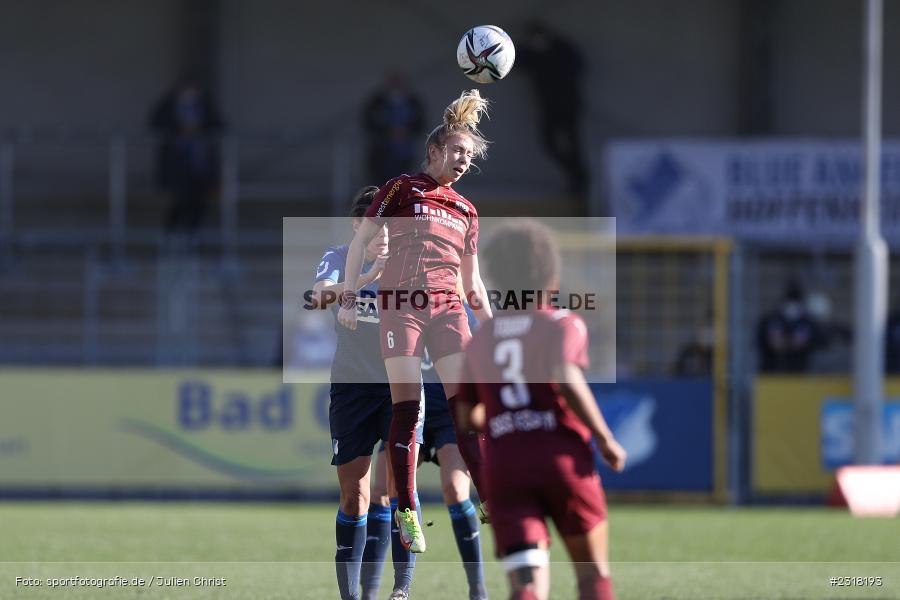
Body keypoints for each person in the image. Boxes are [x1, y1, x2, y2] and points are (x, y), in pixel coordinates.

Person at [338, 90, 495, 554]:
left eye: (470, 155)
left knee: (466, 406)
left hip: (448, 309)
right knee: (407, 409)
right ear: (434, 151)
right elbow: (359, 242)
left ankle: (490, 493)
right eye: (457, 151)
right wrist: (349, 296)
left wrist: (495, 327)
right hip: (401, 305)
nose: (463, 160)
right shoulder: (401, 189)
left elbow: (474, 284)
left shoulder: (466, 210)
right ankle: (407, 507)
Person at [456, 219, 627, 600]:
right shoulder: (563, 323)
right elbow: (566, 378)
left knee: (527, 584)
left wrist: (505, 417)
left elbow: (467, 416)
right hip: (562, 461)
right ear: (551, 277)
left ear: (497, 280)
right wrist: (605, 438)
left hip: (506, 466)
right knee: (592, 575)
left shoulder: (481, 338)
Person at [311, 186, 423, 600]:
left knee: (399, 490)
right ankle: (351, 596)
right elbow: (319, 295)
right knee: (353, 496)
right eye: (375, 225)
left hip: (401, 387)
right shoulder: (338, 257)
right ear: (358, 225)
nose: (384, 232)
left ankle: (401, 590)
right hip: (353, 388)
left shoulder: (411, 263)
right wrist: (363, 279)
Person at [362, 346, 487, 600]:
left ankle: (477, 589)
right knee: (381, 492)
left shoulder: (459, 314)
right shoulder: (403, 313)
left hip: (447, 416)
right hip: (409, 410)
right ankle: (371, 592)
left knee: (455, 489)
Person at [517, 21, 588, 198]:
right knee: (549, 142)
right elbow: (519, 62)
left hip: (569, 104)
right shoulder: (533, 55)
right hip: (548, 106)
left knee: (573, 144)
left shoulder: (561, 49)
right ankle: (577, 174)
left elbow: (579, 66)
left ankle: (580, 180)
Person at [148, 75, 224, 236]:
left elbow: (220, 125)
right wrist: (179, 129)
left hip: (199, 163)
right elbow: (155, 123)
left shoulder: (205, 105)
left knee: (199, 202)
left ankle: (192, 238)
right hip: (176, 163)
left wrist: (200, 128)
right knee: (180, 201)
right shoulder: (168, 104)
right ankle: (170, 236)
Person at [363, 71, 426, 185]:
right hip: (382, 150)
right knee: (381, 183)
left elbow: (420, 123)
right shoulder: (377, 102)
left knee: (402, 180)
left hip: (405, 150)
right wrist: (387, 132)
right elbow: (368, 122)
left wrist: (406, 132)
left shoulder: (413, 102)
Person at [756, 282, 825, 372]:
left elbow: (817, 342)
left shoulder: (807, 322)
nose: (792, 307)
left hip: (801, 371)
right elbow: (769, 342)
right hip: (773, 370)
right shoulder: (772, 319)